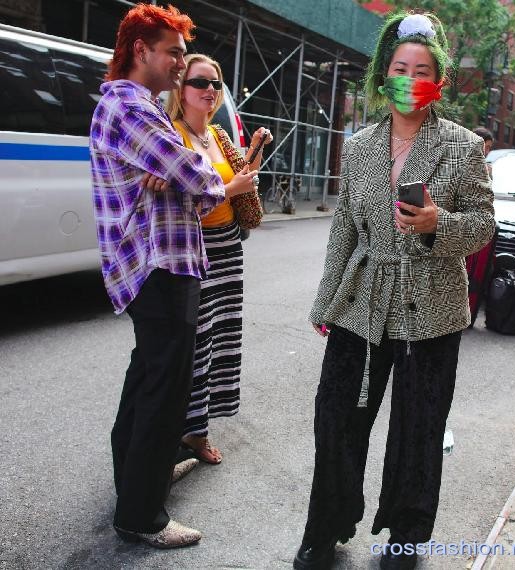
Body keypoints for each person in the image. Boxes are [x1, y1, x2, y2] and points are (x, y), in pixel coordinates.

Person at [293, 11, 494, 570]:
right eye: (400, 68)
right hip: (361, 303)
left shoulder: (462, 146)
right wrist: (325, 298)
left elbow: (483, 226)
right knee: (336, 420)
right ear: (384, 75)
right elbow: (344, 230)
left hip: (433, 309)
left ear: (440, 80)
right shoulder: (358, 148)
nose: (410, 78)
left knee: (419, 431)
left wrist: (437, 225)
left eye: (422, 69)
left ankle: (406, 538)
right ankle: (325, 527)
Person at [89, 4, 251, 549]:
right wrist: (186, 170)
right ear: (141, 51)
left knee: (148, 381)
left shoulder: (139, 107)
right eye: (174, 53)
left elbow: (185, 173)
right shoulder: (133, 108)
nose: (182, 65)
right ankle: (141, 516)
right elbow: (199, 173)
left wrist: (180, 173)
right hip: (157, 266)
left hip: (163, 263)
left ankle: (144, 478)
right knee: (163, 389)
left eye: (185, 54)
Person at [164, 54, 272, 464]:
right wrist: (231, 189)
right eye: (199, 83)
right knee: (198, 340)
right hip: (195, 247)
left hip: (228, 244)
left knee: (224, 337)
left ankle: (199, 430)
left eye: (215, 84)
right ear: (181, 89)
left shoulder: (217, 135)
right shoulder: (172, 136)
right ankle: (183, 429)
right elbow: (179, 199)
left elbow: (243, 177)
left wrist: (256, 151)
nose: (209, 91)